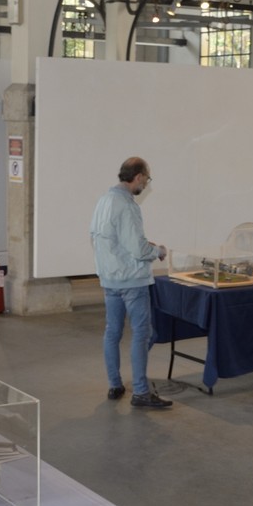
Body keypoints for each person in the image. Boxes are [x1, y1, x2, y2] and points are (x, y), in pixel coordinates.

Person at [89, 156, 171, 410]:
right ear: (138, 176)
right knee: (142, 333)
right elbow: (137, 248)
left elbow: (97, 237)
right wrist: (157, 251)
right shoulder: (127, 205)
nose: (146, 185)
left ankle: (115, 385)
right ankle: (141, 391)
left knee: (112, 332)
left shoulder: (104, 200)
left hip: (110, 278)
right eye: (146, 179)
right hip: (132, 280)